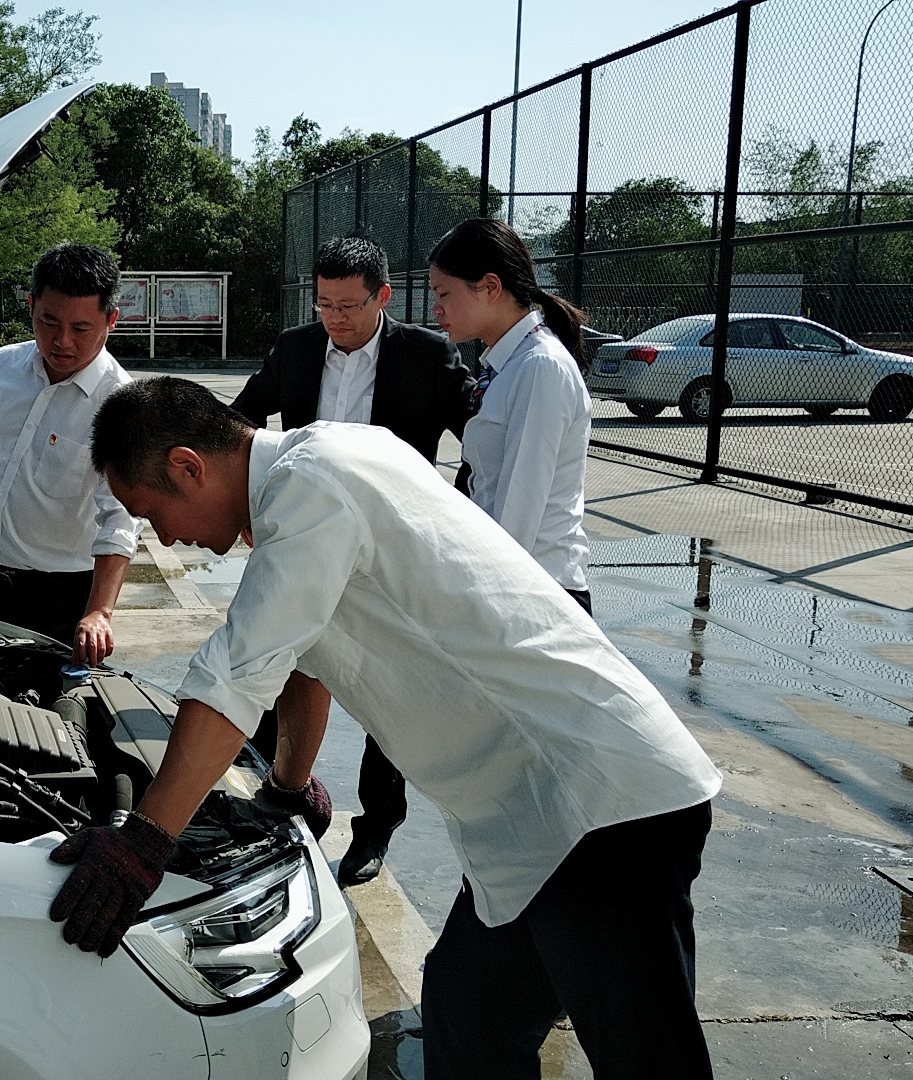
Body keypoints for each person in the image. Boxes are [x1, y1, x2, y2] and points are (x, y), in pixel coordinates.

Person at [52, 377, 722, 1080]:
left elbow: (236, 673)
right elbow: (300, 660)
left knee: (647, 1062)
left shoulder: (311, 487)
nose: (164, 537)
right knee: (470, 1016)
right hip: (535, 817)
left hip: (598, 802)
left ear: (189, 467)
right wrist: (286, 789)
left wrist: (145, 839)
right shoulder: (332, 463)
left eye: (152, 513)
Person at [232, 234, 474, 888]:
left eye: (348, 306)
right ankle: (279, 790)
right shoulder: (297, 349)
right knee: (284, 660)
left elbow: (482, 440)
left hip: (387, 551)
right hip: (306, 538)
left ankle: (374, 829)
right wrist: (248, 501)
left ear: (382, 297)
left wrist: (450, 516)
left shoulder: (426, 355)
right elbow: (240, 421)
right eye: (324, 305)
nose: (334, 319)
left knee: (384, 693)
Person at [0, 243, 138, 666]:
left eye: (81, 328)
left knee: (49, 705)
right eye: (48, 322)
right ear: (31, 306)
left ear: (111, 320)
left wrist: (99, 612)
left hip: (64, 597)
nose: (62, 341)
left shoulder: (120, 404)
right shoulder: (2, 368)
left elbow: (119, 518)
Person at [429, 218, 593, 613]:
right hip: (515, 585)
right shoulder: (511, 363)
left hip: (537, 595)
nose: (437, 309)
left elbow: (518, 511)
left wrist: (482, 603)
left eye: (444, 293)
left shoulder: (540, 367)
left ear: (489, 287)